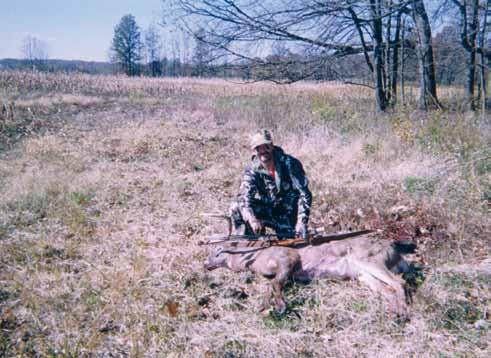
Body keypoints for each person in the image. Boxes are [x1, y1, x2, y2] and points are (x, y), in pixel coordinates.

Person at [230, 129, 312, 240]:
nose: (263, 151)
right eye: (258, 148)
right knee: (236, 206)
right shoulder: (252, 169)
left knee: (292, 244)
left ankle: (290, 232)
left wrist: (302, 221)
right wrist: (252, 219)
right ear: (255, 150)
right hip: (268, 209)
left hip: (287, 213)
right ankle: (248, 242)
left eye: (266, 147)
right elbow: (244, 197)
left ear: (272, 146)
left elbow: (305, 194)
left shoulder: (290, 164)